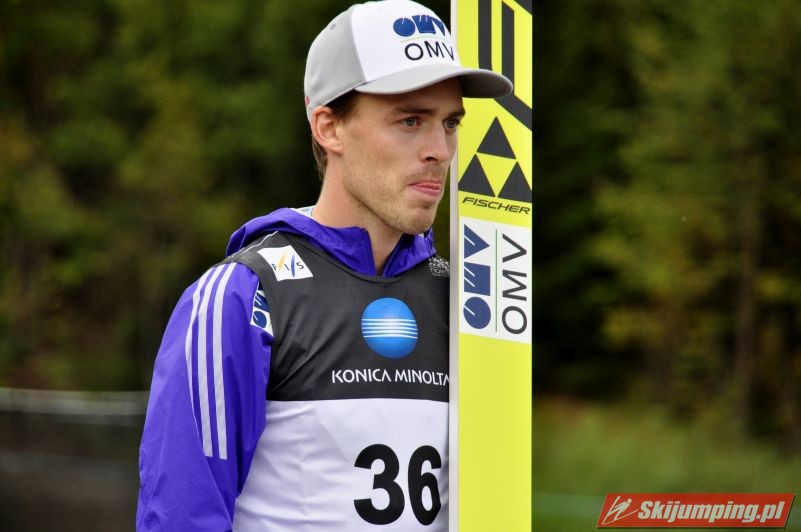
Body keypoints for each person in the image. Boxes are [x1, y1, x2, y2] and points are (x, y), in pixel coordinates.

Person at [135, 0, 511, 530]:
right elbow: (181, 516)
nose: (440, 151)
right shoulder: (240, 297)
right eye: (410, 120)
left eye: (449, 123)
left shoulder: (472, 300)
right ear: (329, 127)